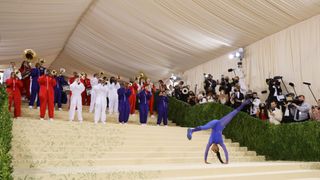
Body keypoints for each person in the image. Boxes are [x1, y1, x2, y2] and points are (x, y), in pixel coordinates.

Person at [187, 100, 251, 164]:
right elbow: (225, 151)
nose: (213, 148)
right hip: (221, 124)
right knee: (233, 114)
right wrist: (227, 161)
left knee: (205, 127)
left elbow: (206, 151)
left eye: (213, 150)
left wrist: (205, 160)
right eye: (215, 150)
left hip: (214, 124)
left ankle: (191, 130)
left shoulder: (210, 141)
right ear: (217, 148)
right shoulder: (220, 142)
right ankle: (243, 104)